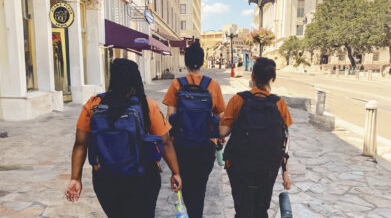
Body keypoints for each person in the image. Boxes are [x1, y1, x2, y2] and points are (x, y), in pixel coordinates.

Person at [65, 58, 182, 218]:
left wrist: (75, 178)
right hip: (142, 178)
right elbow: (166, 142)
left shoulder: (93, 105)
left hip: (106, 179)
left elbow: (80, 144)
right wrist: (175, 173)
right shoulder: (147, 105)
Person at [220, 58, 292, 218]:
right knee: (261, 209)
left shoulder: (238, 99)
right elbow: (284, 140)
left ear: (252, 76)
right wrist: (285, 172)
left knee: (242, 209)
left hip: (239, 165)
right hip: (268, 167)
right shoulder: (279, 103)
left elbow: (223, 131)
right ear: (272, 78)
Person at [163, 42, 226, 218]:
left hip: (181, 146)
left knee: (186, 184)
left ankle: (192, 212)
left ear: (186, 62)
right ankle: (195, 213)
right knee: (200, 187)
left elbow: (170, 120)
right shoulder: (212, 85)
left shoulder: (177, 84)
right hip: (205, 146)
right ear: (203, 61)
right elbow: (220, 115)